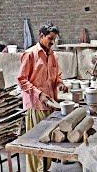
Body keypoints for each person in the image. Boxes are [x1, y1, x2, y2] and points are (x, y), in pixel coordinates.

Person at [17, 23, 68, 172]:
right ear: (41, 36)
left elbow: (56, 76)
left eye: (54, 40)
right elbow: (21, 80)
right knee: (35, 145)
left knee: (49, 145)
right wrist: (39, 94)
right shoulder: (30, 54)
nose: (52, 42)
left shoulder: (53, 55)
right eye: (50, 39)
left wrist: (60, 84)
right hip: (36, 106)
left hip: (51, 105)